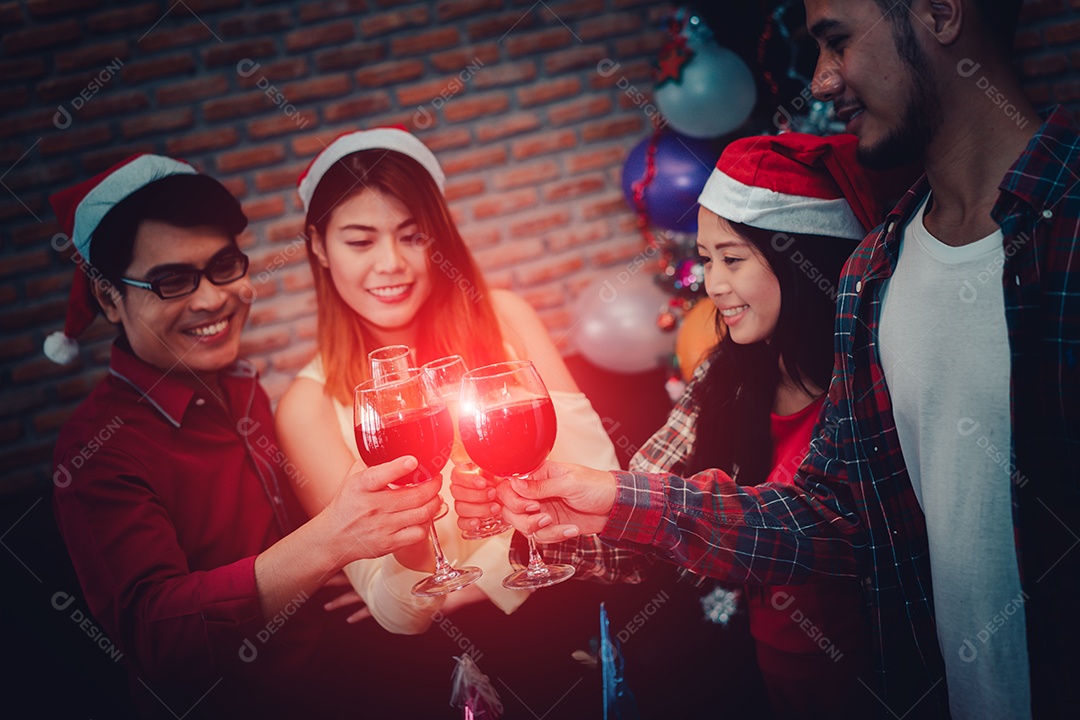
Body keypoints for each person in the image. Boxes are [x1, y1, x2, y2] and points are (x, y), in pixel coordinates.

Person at [470, 0, 1080, 717]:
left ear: (941, 13)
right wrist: (610, 500)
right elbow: (835, 524)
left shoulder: (1060, 231)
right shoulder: (875, 275)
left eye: (837, 41)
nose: (820, 82)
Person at [456, 132, 885, 719]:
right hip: (756, 673)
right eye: (707, 260)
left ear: (802, 256)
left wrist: (613, 501)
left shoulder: (869, 376)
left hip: (878, 677)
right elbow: (645, 530)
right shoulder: (723, 373)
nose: (713, 284)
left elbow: (829, 536)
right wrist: (553, 520)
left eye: (733, 259)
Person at [47, 154, 442, 719]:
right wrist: (328, 540)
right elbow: (152, 635)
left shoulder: (244, 390)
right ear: (110, 298)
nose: (211, 299)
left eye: (224, 267)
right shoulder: (98, 450)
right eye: (172, 281)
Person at [273, 127, 622, 716]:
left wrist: (468, 581)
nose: (392, 264)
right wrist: (432, 573)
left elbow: (601, 480)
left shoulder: (507, 320)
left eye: (411, 236)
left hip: (579, 621)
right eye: (360, 241)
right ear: (317, 245)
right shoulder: (307, 408)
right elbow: (393, 609)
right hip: (459, 678)